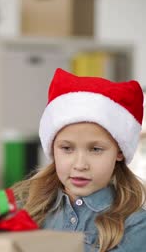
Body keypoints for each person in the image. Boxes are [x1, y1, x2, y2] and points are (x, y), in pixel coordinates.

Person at [13, 68, 146, 251]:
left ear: (119, 152)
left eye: (96, 149)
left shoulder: (136, 226)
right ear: (52, 148)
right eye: (67, 149)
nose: (80, 165)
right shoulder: (24, 206)